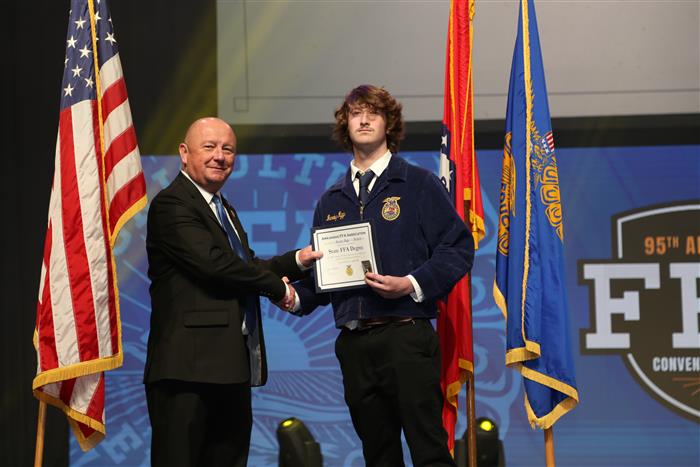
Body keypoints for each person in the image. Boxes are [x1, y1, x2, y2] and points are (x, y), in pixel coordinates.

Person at [286, 85, 474, 466]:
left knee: (429, 452)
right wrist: (292, 296)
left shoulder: (418, 183)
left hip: (406, 334)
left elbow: (458, 248)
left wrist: (411, 284)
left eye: (374, 112)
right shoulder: (331, 200)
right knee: (378, 456)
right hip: (355, 344)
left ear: (389, 123)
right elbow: (326, 278)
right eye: (356, 113)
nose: (365, 120)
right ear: (345, 125)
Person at [144, 117, 321, 467]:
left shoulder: (223, 208)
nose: (220, 156)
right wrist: (278, 289)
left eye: (228, 149)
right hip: (187, 371)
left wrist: (296, 261)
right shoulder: (172, 204)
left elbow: (245, 265)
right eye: (209, 147)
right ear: (184, 153)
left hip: (230, 369)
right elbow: (215, 265)